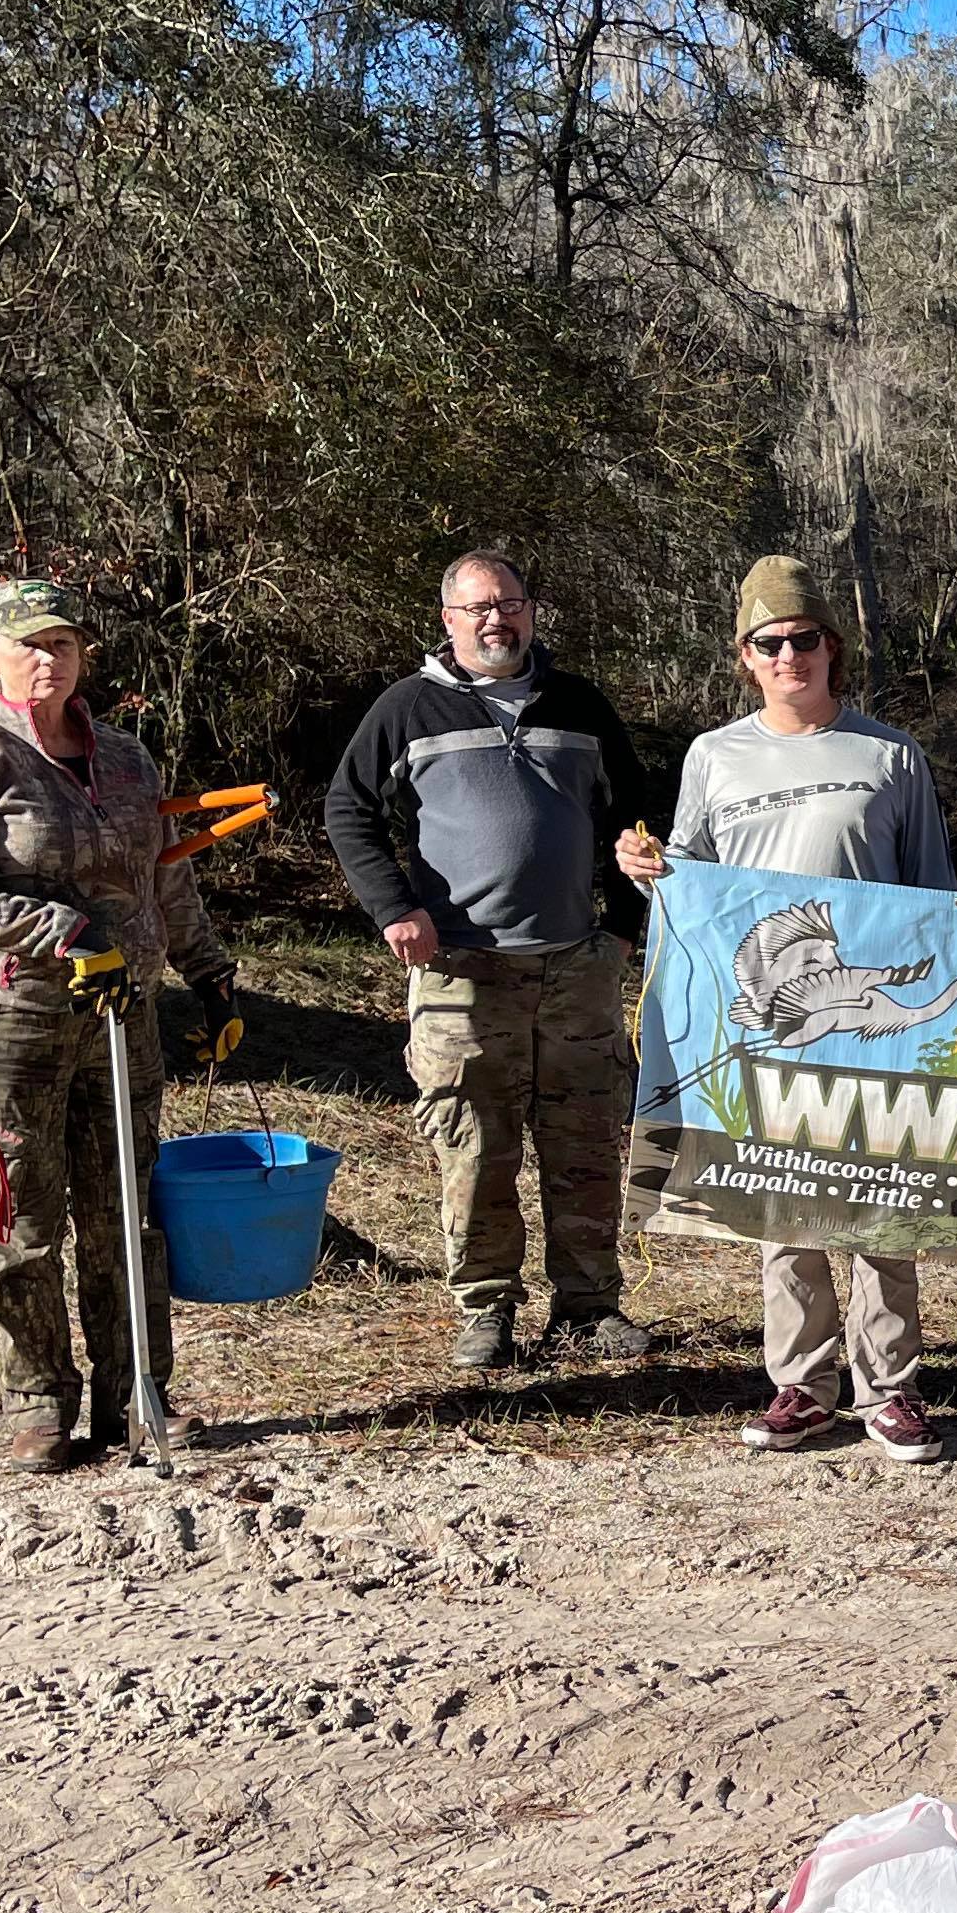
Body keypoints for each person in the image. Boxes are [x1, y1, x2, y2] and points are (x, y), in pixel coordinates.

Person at [612, 556, 955, 1455]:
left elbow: (938, 896)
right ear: (746, 657)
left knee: (884, 1200)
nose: (789, 655)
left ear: (832, 648)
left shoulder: (890, 754)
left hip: (871, 1015)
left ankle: (892, 1388)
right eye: (771, 643)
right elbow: (685, 882)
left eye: (805, 639)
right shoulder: (713, 756)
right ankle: (802, 1385)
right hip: (764, 1018)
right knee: (786, 1203)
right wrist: (642, 869)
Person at [0, 579, 243, 1471]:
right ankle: (37, 1400)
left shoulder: (128, 759)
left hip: (120, 1015)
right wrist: (61, 929)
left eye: (62, 644)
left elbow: (163, 876)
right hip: (11, 1013)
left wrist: (209, 974)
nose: (47, 660)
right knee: (16, 1208)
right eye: (28, 646)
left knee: (126, 1210)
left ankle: (138, 1395)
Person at [326, 549, 657, 1376]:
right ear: (448, 620)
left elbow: (636, 816)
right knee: (476, 1147)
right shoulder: (408, 708)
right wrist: (394, 908)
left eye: (508, 604)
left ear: (531, 611)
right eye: (477, 608)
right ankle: (487, 1309)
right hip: (462, 971)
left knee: (583, 1142)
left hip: (574, 968)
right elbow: (348, 808)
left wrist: (623, 925)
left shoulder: (577, 703)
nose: (494, 620)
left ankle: (589, 1305)